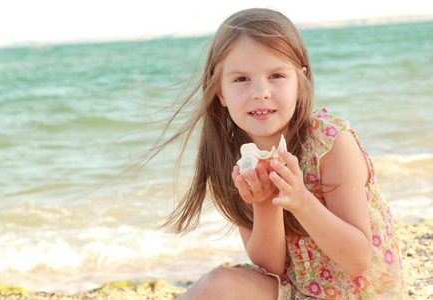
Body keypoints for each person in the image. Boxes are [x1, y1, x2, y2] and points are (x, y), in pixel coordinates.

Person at [149, 8, 406, 299]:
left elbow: (359, 260)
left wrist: (300, 201)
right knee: (217, 285)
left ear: (301, 82)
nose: (260, 91)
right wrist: (264, 204)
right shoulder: (237, 158)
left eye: (276, 75)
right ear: (219, 91)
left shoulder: (330, 142)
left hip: (359, 293)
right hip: (296, 289)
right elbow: (271, 267)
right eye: (241, 79)